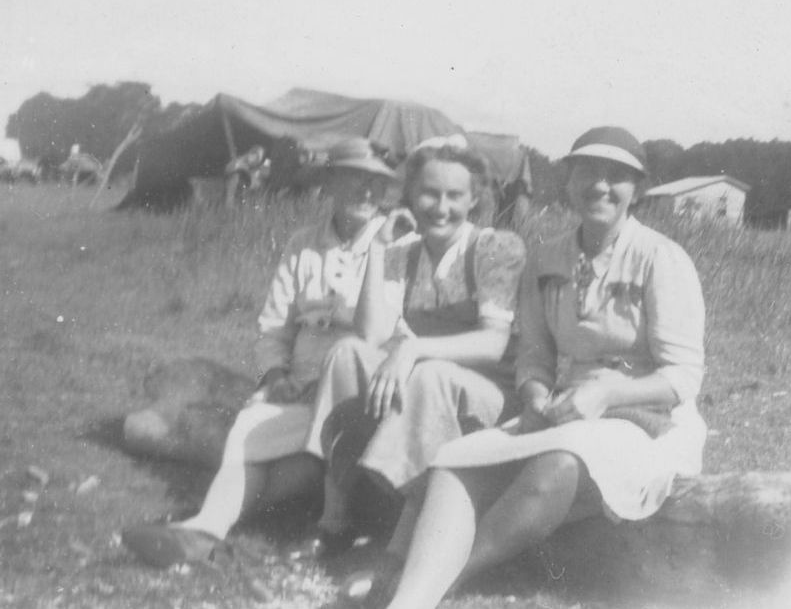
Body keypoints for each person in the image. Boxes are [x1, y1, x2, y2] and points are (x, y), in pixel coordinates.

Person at [378, 126, 707, 609]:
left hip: (645, 421)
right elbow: (533, 352)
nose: (600, 186)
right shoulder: (548, 256)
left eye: (616, 177)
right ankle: (408, 599)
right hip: (566, 409)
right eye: (587, 173)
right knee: (457, 460)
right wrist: (533, 394)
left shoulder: (661, 258)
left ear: (637, 189)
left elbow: (682, 377)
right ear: (568, 182)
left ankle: (452, 582)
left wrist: (608, 395)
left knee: (561, 463)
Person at [122, 138, 400, 567]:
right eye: (355, 179)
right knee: (252, 428)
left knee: (301, 464)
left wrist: (378, 250)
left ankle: (209, 522)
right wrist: (274, 375)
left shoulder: (395, 246)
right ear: (330, 183)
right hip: (299, 384)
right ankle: (207, 529)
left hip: (353, 392)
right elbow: (274, 326)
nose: (367, 192)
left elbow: (372, 335)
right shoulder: (303, 244)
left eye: (376, 184)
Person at [313, 139, 527, 575]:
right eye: (430, 193)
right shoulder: (404, 253)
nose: (441, 207)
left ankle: (394, 553)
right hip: (433, 383)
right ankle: (335, 518)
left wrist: (413, 348)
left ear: (475, 199)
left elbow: (493, 344)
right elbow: (370, 333)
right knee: (348, 353)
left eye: (455, 196)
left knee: (430, 378)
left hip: (493, 396)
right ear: (410, 194)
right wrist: (376, 247)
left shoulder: (495, 248)